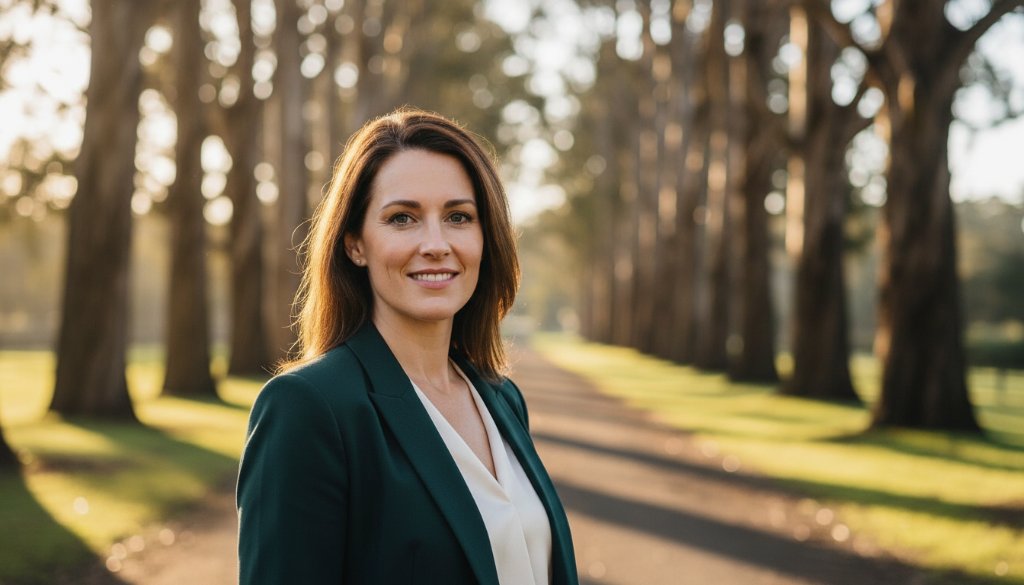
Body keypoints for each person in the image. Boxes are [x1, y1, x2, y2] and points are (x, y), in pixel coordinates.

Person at [237, 107, 578, 585]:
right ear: (356, 244)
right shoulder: (308, 408)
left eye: (459, 216)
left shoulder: (501, 398)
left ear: (486, 236)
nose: (437, 244)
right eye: (403, 219)